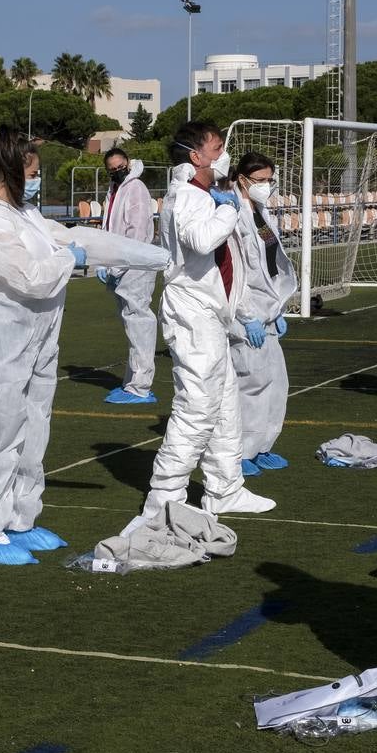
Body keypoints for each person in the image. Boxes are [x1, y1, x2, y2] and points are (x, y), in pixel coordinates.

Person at [0, 126, 167, 565]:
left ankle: (22, 517)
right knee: (3, 427)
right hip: (6, 335)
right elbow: (28, 275)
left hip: (41, 333)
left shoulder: (26, 215)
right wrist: (64, 260)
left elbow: (82, 239)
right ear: (13, 171)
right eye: (33, 171)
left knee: (36, 425)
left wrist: (158, 256)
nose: (38, 179)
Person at [135, 122, 275, 525]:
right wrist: (229, 208)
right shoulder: (189, 197)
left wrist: (246, 312)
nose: (223, 156)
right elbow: (201, 241)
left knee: (226, 405)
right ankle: (165, 497)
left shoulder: (203, 194)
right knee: (196, 407)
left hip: (210, 313)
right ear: (196, 157)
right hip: (192, 316)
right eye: (217, 149)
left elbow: (226, 266)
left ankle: (224, 489)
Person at [225, 152, 297, 476]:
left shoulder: (262, 212)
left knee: (276, 382)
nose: (266, 186)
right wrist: (246, 315)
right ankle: (241, 453)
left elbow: (270, 265)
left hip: (267, 309)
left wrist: (276, 309)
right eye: (260, 180)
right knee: (251, 384)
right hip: (247, 313)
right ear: (242, 179)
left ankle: (264, 445)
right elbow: (236, 271)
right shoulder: (232, 214)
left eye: (270, 180)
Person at [97, 147, 160, 405]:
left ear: (128, 163)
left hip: (135, 265)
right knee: (131, 323)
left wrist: (118, 263)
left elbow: (136, 230)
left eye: (119, 166)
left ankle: (141, 385)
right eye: (111, 169)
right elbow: (108, 226)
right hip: (122, 265)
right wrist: (105, 260)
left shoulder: (135, 188)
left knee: (139, 322)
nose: (116, 171)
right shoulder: (115, 190)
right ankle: (132, 381)